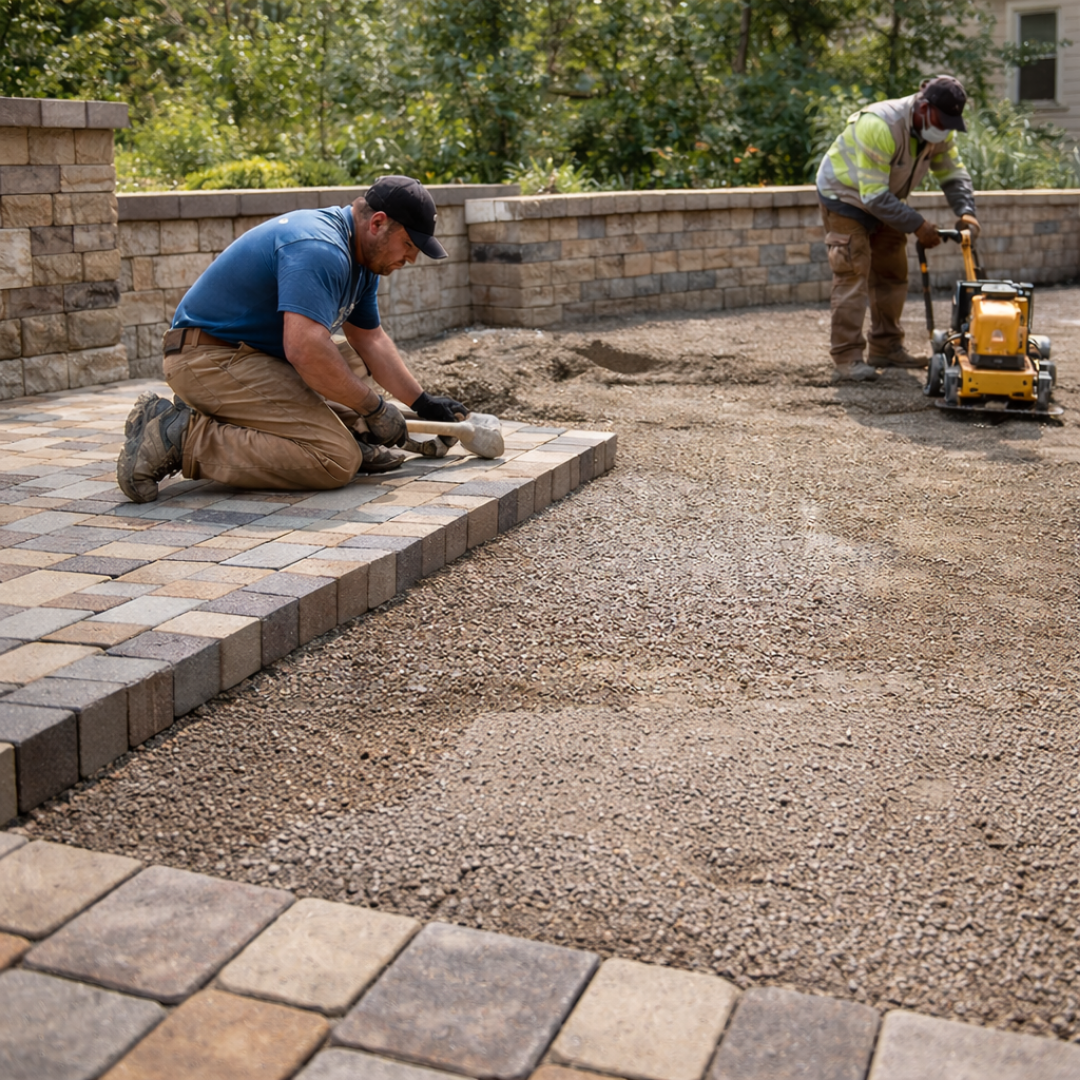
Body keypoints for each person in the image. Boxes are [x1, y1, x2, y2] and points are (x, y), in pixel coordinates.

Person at [117, 175, 469, 503]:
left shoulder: (362, 260)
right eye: (408, 244)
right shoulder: (320, 247)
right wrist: (373, 408)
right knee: (333, 459)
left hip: (253, 358)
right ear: (377, 223)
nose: (410, 258)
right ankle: (179, 436)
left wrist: (423, 403)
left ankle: (350, 434)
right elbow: (304, 349)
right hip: (207, 359)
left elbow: (371, 341)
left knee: (351, 360)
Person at [816, 75, 980, 382]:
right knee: (853, 272)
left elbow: (953, 173)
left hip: (885, 198)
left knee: (892, 272)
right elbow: (872, 197)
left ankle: (885, 347)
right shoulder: (880, 124)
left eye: (950, 122)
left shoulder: (939, 132)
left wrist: (966, 212)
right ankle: (847, 357)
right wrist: (918, 225)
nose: (943, 129)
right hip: (845, 197)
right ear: (923, 106)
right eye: (941, 120)